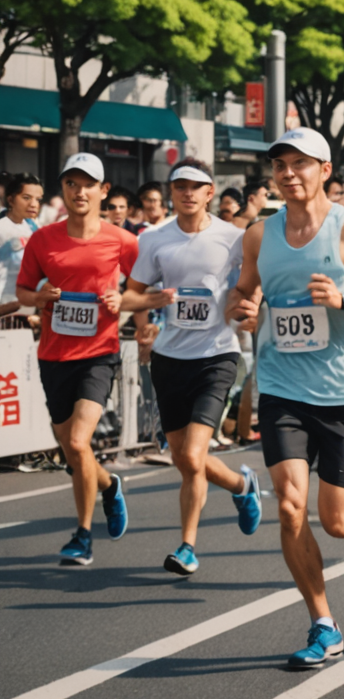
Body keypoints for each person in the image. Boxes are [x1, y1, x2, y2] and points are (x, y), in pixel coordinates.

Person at [224, 128, 344, 667]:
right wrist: (244, 308)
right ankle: (323, 624)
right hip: (282, 389)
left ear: (325, 170)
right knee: (288, 506)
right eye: (280, 165)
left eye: (300, 164)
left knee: (336, 520)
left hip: (342, 393)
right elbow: (245, 289)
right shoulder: (260, 234)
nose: (288, 174)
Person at [122, 158, 261, 574]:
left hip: (217, 355)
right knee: (185, 460)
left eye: (194, 186)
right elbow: (129, 297)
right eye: (179, 186)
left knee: (196, 453)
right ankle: (241, 484)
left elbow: (251, 284)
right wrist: (150, 310)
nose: (186, 193)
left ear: (209, 193)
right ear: (171, 192)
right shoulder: (153, 239)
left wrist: (248, 309)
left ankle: (187, 546)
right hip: (169, 358)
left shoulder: (233, 238)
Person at [18, 154, 138, 566]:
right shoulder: (43, 239)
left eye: (88, 184)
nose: (79, 191)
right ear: (64, 190)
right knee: (74, 454)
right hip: (53, 355)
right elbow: (23, 292)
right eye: (71, 183)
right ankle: (107, 486)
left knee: (76, 442)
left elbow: (142, 288)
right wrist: (41, 297)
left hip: (98, 355)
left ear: (103, 191)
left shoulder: (121, 240)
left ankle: (83, 536)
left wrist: (129, 306)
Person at [0, 173, 42, 327]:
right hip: (5, 310)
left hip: (26, 310)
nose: (33, 204)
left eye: (38, 199)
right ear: (10, 199)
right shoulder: (2, 228)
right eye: (26, 198)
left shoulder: (33, 227)